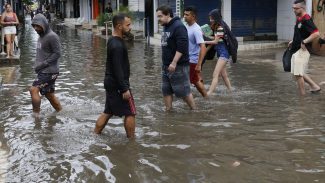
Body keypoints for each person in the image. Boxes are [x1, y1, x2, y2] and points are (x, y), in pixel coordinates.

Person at [94, 13, 136, 139]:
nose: (130, 27)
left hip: (111, 82)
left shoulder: (113, 40)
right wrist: (124, 88)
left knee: (108, 111)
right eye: (128, 25)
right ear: (119, 26)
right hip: (118, 84)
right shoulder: (117, 45)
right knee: (130, 112)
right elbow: (117, 68)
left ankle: (95, 134)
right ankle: (132, 141)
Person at [156, 5, 196, 111]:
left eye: (160, 16)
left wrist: (174, 62)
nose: (158, 19)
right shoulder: (165, 25)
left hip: (178, 66)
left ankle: (194, 110)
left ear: (168, 14)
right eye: (157, 17)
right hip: (166, 65)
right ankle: (168, 110)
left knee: (183, 91)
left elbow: (182, 47)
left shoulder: (178, 26)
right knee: (166, 90)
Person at [29, 14, 62, 116]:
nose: (35, 28)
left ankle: (36, 117)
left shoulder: (52, 36)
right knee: (49, 95)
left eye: (38, 26)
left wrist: (43, 64)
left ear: (44, 24)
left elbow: (57, 53)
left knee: (33, 90)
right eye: (34, 26)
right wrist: (37, 66)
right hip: (43, 71)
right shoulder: (41, 36)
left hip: (49, 71)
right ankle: (61, 112)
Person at [288, 0, 321, 95]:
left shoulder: (306, 19)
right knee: (297, 72)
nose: (294, 10)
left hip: (302, 50)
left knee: (298, 74)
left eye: (296, 8)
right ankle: (314, 87)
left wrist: (304, 41)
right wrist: (293, 41)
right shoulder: (299, 18)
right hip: (296, 48)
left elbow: (316, 33)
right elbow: (301, 32)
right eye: (293, 8)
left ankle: (302, 97)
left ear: (303, 8)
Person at [205, 9, 232, 96]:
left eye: (212, 18)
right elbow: (215, 38)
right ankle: (231, 91)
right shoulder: (217, 27)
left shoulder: (220, 28)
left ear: (216, 18)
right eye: (210, 18)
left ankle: (209, 93)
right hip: (221, 54)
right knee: (224, 75)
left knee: (215, 74)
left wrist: (204, 42)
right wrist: (206, 36)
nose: (210, 20)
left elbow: (215, 42)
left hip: (224, 54)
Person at [183, 6, 207, 97]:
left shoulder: (196, 29)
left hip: (192, 60)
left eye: (187, 15)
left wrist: (199, 64)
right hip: (186, 59)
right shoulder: (186, 26)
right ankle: (206, 97)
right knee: (195, 81)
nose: (184, 16)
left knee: (189, 82)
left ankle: (191, 101)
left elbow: (203, 46)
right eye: (184, 14)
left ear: (193, 16)